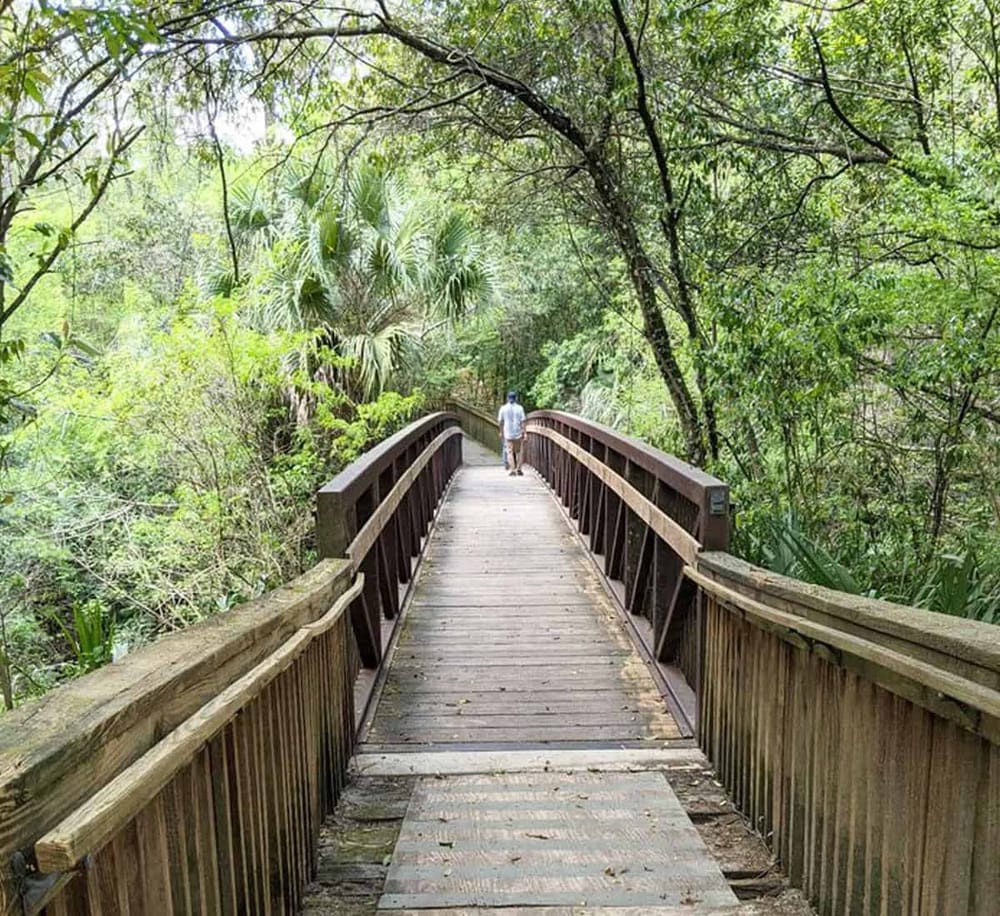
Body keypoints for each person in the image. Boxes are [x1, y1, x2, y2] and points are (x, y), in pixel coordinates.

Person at [498, 391, 526, 476]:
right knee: (518, 451)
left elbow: (500, 421)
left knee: (509, 452)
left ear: (507, 398)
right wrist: (524, 432)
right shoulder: (520, 408)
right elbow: (523, 421)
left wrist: (501, 431)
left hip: (508, 433)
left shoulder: (503, 408)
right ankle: (519, 469)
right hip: (518, 433)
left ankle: (512, 470)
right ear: (516, 398)